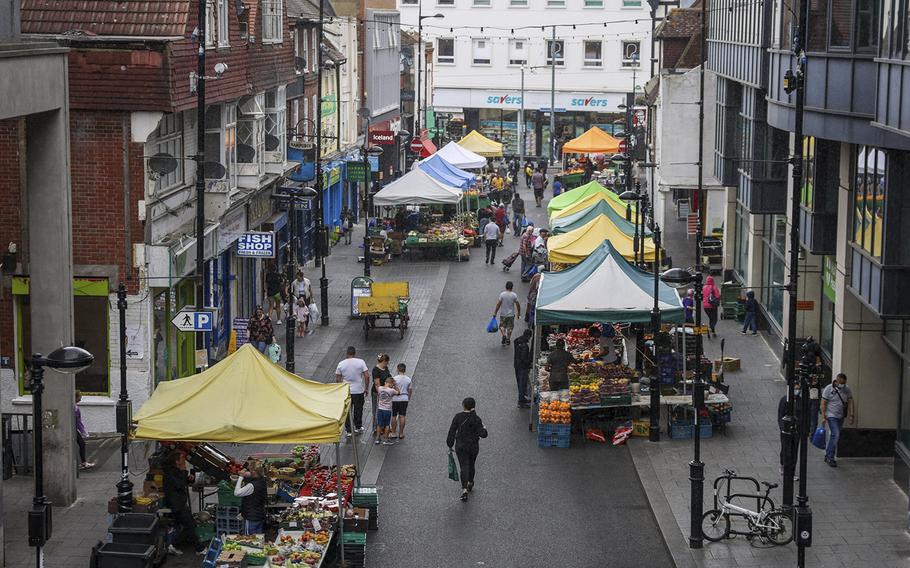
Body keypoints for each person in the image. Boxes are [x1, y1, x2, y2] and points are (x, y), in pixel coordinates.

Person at [446, 397, 488, 502]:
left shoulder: (458, 417)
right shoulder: (477, 419)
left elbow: (452, 431)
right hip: (473, 446)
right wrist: (484, 428)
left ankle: (464, 490)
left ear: (463, 405)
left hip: (461, 446)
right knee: (471, 464)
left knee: (463, 466)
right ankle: (470, 482)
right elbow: (483, 434)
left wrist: (450, 444)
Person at [162, 451, 205, 554]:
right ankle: (199, 549)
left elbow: (183, 482)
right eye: (182, 459)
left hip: (180, 502)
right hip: (176, 504)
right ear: (177, 462)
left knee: (190, 525)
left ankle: (174, 545)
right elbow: (179, 485)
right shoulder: (170, 472)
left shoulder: (176, 471)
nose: (184, 461)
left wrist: (190, 478)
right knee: (190, 525)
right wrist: (184, 471)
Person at [821, 373, 854, 468]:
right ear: (837, 380)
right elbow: (823, 403)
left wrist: (852, 415)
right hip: (831, 416)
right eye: (841, 383)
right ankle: (830, 457)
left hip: (841, 416)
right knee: (836, 434)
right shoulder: (828, 389)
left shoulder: (846, 389)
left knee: (835, 436)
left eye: (844, 383)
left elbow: (851, 401)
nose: (842, 385)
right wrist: (824, 416)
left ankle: (828, 455)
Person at [335, 346, 370, 437]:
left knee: (347, 411)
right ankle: (358, 426)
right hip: (358, 390)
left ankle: (349, 430)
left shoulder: (341, 364)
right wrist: (366, 388)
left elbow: (338, 379)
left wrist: (340, 390)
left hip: (346, 391)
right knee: (358, 409)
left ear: (347, 353)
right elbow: (366, 376)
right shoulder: (361, 362)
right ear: (355, 353)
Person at [233, 462, 268, 535]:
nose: (249, 472)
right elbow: (252, 475)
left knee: (250, 540)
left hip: (251, 517)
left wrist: (241, 477)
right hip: (260, 515)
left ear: (254, 472)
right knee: (259, 538)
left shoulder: (251, 486)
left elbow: (237, 493)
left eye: (250, 470)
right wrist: (245, 473)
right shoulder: (262, 480)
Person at [777, 384, 803, 473]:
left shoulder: (800, 401)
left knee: (794, 450)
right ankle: (783, 464)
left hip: (796, 430)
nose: (797, 391)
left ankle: (792, 470)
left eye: (798, 389)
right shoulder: (785, 400)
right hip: (786, 429)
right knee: (785, 448)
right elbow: (780, 414)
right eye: (795, 389)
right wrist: (782, 427)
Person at [371, 354, 392, 440]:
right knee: (377, 410)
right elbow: (377, 384)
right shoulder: (376, 370)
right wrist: (381, 393)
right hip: (378, 393)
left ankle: (383, 427)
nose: (387, 364)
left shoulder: (385, 368)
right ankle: (376, 428)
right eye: (386, 362)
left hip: (385, 392)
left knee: (384, 409)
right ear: (383, 361)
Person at [493, 281, 521, 345]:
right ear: (512, 287)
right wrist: (519, 313)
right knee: (510, 327)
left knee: (502, 326)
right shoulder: (514, 295)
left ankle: (503, 335)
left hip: (503, 314)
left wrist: (495, 312)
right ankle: (508, 338)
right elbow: (518, 305)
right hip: (511, 315)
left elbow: (498, 304)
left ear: (506, 287)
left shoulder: (502, 294)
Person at [375, 377, 400, 445]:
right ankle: (385, 439)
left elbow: (376, 386)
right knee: (387, 425)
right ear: (391, 384)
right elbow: (398, 393)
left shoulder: (380, 388)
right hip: (387, 410)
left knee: (379, 424)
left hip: (380, 409)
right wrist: (395, 386)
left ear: (385, 382)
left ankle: (377, 438)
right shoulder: (391, 390)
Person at [391, 363, 413, 439]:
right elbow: (410, 390)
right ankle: (401, 433)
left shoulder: (394, 379)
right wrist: (408, 398)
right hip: (404, 398)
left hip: (395, 398)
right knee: (402, 416)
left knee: (394, 416)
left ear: (397, 369)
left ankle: (393, 432)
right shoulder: (408, 379)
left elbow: (391, 388)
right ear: (405, 370)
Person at [74, 391, 94, 470]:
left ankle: (83, 462)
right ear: (76, 397)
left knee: (81, 444)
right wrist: (83, 432)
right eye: (80, 397)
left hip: (73, 428)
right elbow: (78, 421)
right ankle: (83, 463)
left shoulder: (73, 407)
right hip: (73, 429)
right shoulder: (75, 408)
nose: (81, 399)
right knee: (82, 444)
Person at [513, 329, 533, 408]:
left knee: (519, 383)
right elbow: (524, 358)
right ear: (528, 336)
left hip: (516, 365)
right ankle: (521, 401)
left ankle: (522, 398)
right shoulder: (524, 346)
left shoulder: (517, 341)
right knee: (522, 384)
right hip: (522, 367)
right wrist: (529, 363)